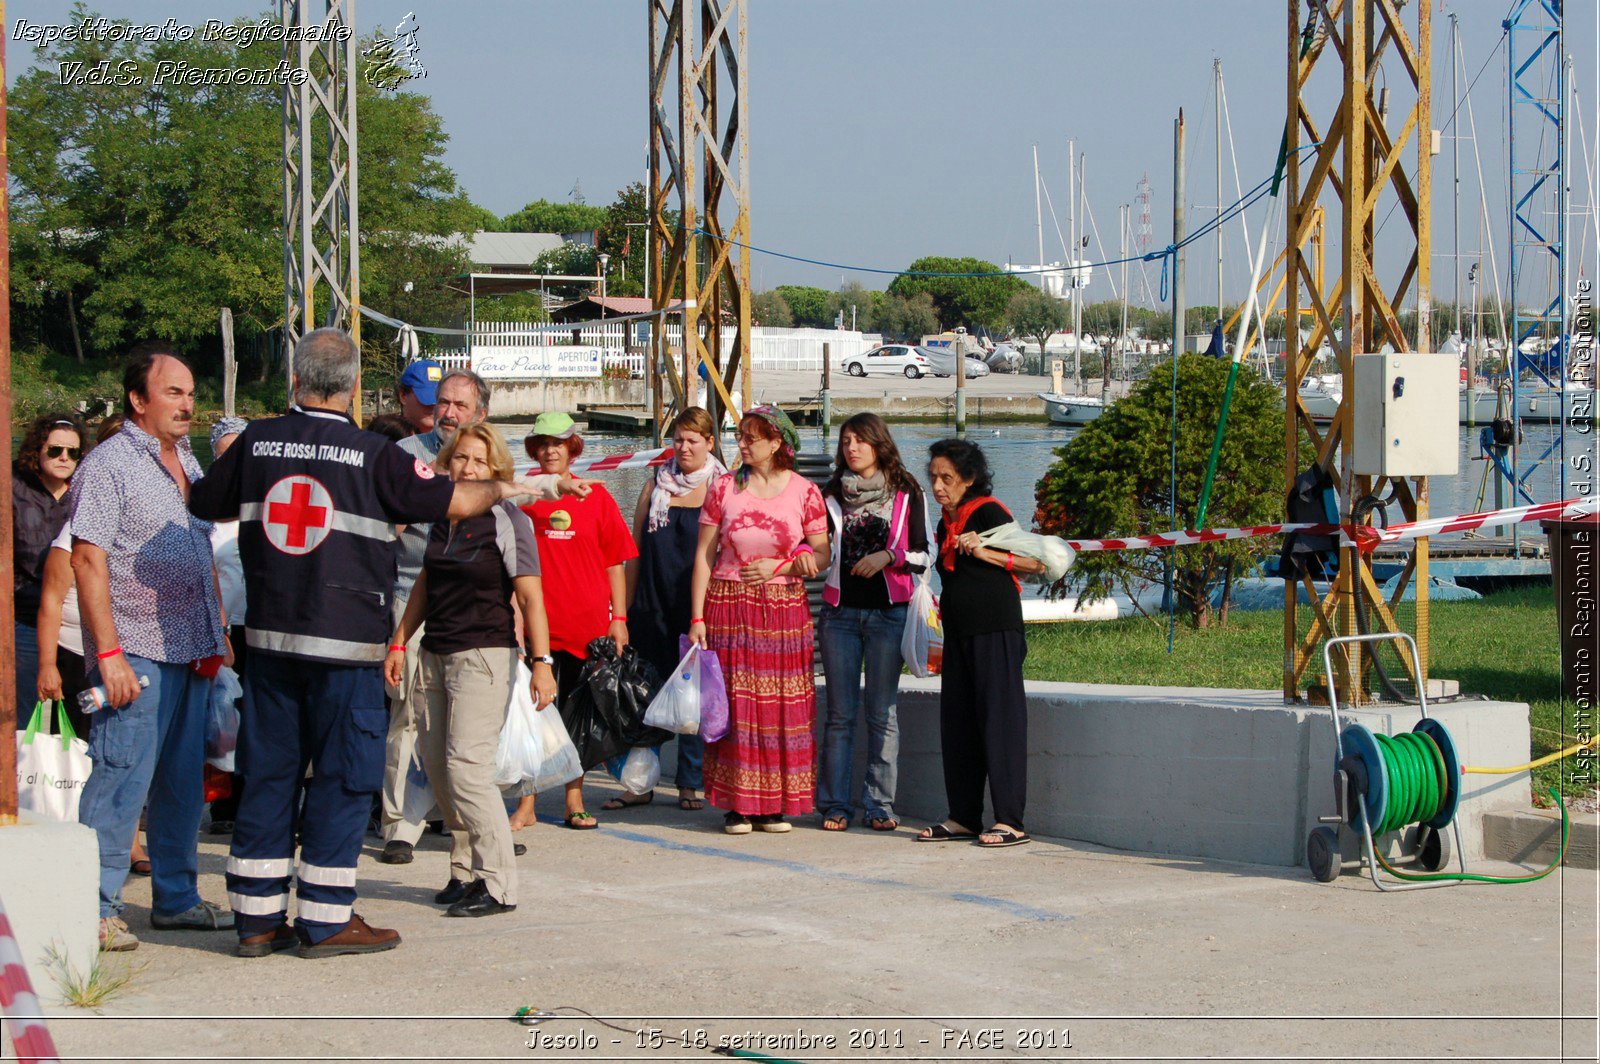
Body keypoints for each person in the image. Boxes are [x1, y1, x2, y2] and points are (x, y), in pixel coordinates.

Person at [189, 329, 588, 959]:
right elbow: (456, 498)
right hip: (346, 651)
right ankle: (324, 920)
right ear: (351, 389)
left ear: (294, 381)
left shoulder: (256, 443)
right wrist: (523, 487)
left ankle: (257, 922)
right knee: (345, 778)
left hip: (268, 646)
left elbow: (203, 500)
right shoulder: (374, 455)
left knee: (268, 776)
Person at [70, 348, 234, 952]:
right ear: (139, 400)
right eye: (173, 392)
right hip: (134, 651)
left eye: (190, 392)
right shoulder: (108, 464)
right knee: (120, 778)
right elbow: (87, 558)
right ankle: (90, 906)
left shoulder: (187, 461)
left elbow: (199, 553)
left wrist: (217, 632)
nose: (187, 403)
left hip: (191, 648)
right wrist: (107, 656)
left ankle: (177, 899)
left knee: (180, 786)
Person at [384, 423, 555, 917]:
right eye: (460, 459)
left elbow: (530, 596)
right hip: (435, 651)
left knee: (467, 771)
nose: (468, 468)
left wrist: (542, 665)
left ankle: (499, 884)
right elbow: (424, 584)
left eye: (480, 461)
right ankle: (465, 871)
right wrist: (400, 641)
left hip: (483, 655)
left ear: (496, 469)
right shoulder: (445, 516)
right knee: (437, 769)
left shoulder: (506, 517)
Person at [688, 405, 829, 835]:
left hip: (784, 611)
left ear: (777, 443)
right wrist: (697, 617)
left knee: (781, 708)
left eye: (752, 437)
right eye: (740, 436)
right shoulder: (724, 488)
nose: (742, 444)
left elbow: (821, 554)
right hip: (729, 606)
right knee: (735, 704)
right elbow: (704, 556)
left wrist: (782, 567)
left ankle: (773, 806)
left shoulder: (805, 491)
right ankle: (737, 805)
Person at [379, 369, 493, 865]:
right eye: (443, 403)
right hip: (410, 596)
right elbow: (381, 530)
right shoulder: (406, 458)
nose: (448, 413)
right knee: (408, 715)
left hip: (472, 607)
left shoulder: (492, 461)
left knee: (465, 722)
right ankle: (399, 825)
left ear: (480, 414)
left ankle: (464, 823)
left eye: (460, 406)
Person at [915, 439, 1044, 849]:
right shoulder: (945, 521)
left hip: (995, 629)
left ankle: (1010, 820)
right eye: (933, 477)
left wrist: (985, 551)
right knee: (959, 724)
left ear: (968, 479)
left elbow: (1036, 563)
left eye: (946, 478)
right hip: (960, 632)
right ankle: (963, 816)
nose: (937, 485)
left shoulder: (989, 511)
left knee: (999, 722)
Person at [518, 411, 637, 831]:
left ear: (572, 447)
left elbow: (614, 563)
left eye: (559, 443)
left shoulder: (598, 496)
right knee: (532, 717)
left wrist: (618, 618)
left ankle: (574, 799)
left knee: (580, 721)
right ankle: (526, 804)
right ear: (534, 449)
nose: (551, 450)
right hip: (539, 628)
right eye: (543, 444)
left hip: (587, 627)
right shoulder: (524, 495)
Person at [816, 413, 930, 833]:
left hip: (889, 615)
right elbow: (813, 545)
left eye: (860, 440)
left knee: (882, 713)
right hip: (839, 616)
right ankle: (834, 805)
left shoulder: (906, 491)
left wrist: (890, 557)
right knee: (840, 715)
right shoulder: (830, 493)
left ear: (879, 444)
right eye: (846, 441)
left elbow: (924, 553)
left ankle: (879, 805)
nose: (851, 448)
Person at [621, 408, 726, 812]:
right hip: (651, 603)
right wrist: (624, 610)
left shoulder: (721, 488)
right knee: (643, 697)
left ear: (709, 444)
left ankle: (689, 784)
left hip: (695, 607)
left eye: (692, 440)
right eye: (678, 439)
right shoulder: (655, 485)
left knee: (692, 700)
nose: (683, 447)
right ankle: (639, 784)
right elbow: (633, 552)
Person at [37, 416, 121, 739]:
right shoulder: (71, 533)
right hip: (76, 656)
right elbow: (52, 600)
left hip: (124, 656)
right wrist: (47, 665)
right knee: (76, 749)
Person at [14, 413, 86, 724]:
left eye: (73, 453)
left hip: (74, 630)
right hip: (26, 616)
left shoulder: (85, 493)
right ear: (37, 450)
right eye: (55, 450)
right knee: (20, 714)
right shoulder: (14, 489)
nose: (64, 458)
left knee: (75, 719)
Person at [204, 417, 251, 836]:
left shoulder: (263, 503)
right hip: (220, 628)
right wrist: (218, 630)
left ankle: (254, 802)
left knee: (253, 715)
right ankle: (223, 807)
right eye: (225, 454)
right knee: (220, 718)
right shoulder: (206, 511)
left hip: (258, 627)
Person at [397, 358, 441, 436]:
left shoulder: (457, 443)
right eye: (426, 396)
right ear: (403, 396)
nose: (433, 405)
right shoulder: (387, 443)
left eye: (441, 400)